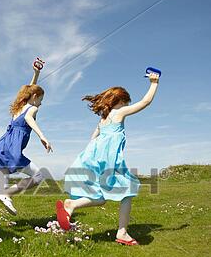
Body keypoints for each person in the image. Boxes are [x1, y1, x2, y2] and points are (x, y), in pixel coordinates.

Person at [56, 72, 160, 245]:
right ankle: (122, 233)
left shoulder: (103, 120)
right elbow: (145, 102)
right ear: (120, 101)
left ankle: (71, 205)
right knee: (129, 190)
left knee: (101, 198)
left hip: (93, 158)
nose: (128, 105)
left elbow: (93, 138)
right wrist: (154, 83)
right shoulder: (118, 113)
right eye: (126, 102)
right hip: (109, 161)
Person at [0, 61, 53, 229]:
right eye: (41, 100)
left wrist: (36, 74)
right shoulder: (32, 110)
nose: (41, 104)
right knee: (38, 177)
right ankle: (5, 193)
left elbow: (30, 89)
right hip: (12, 151)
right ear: (35, 98)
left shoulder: (20, 106)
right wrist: (42, 136)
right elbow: (30, 119)